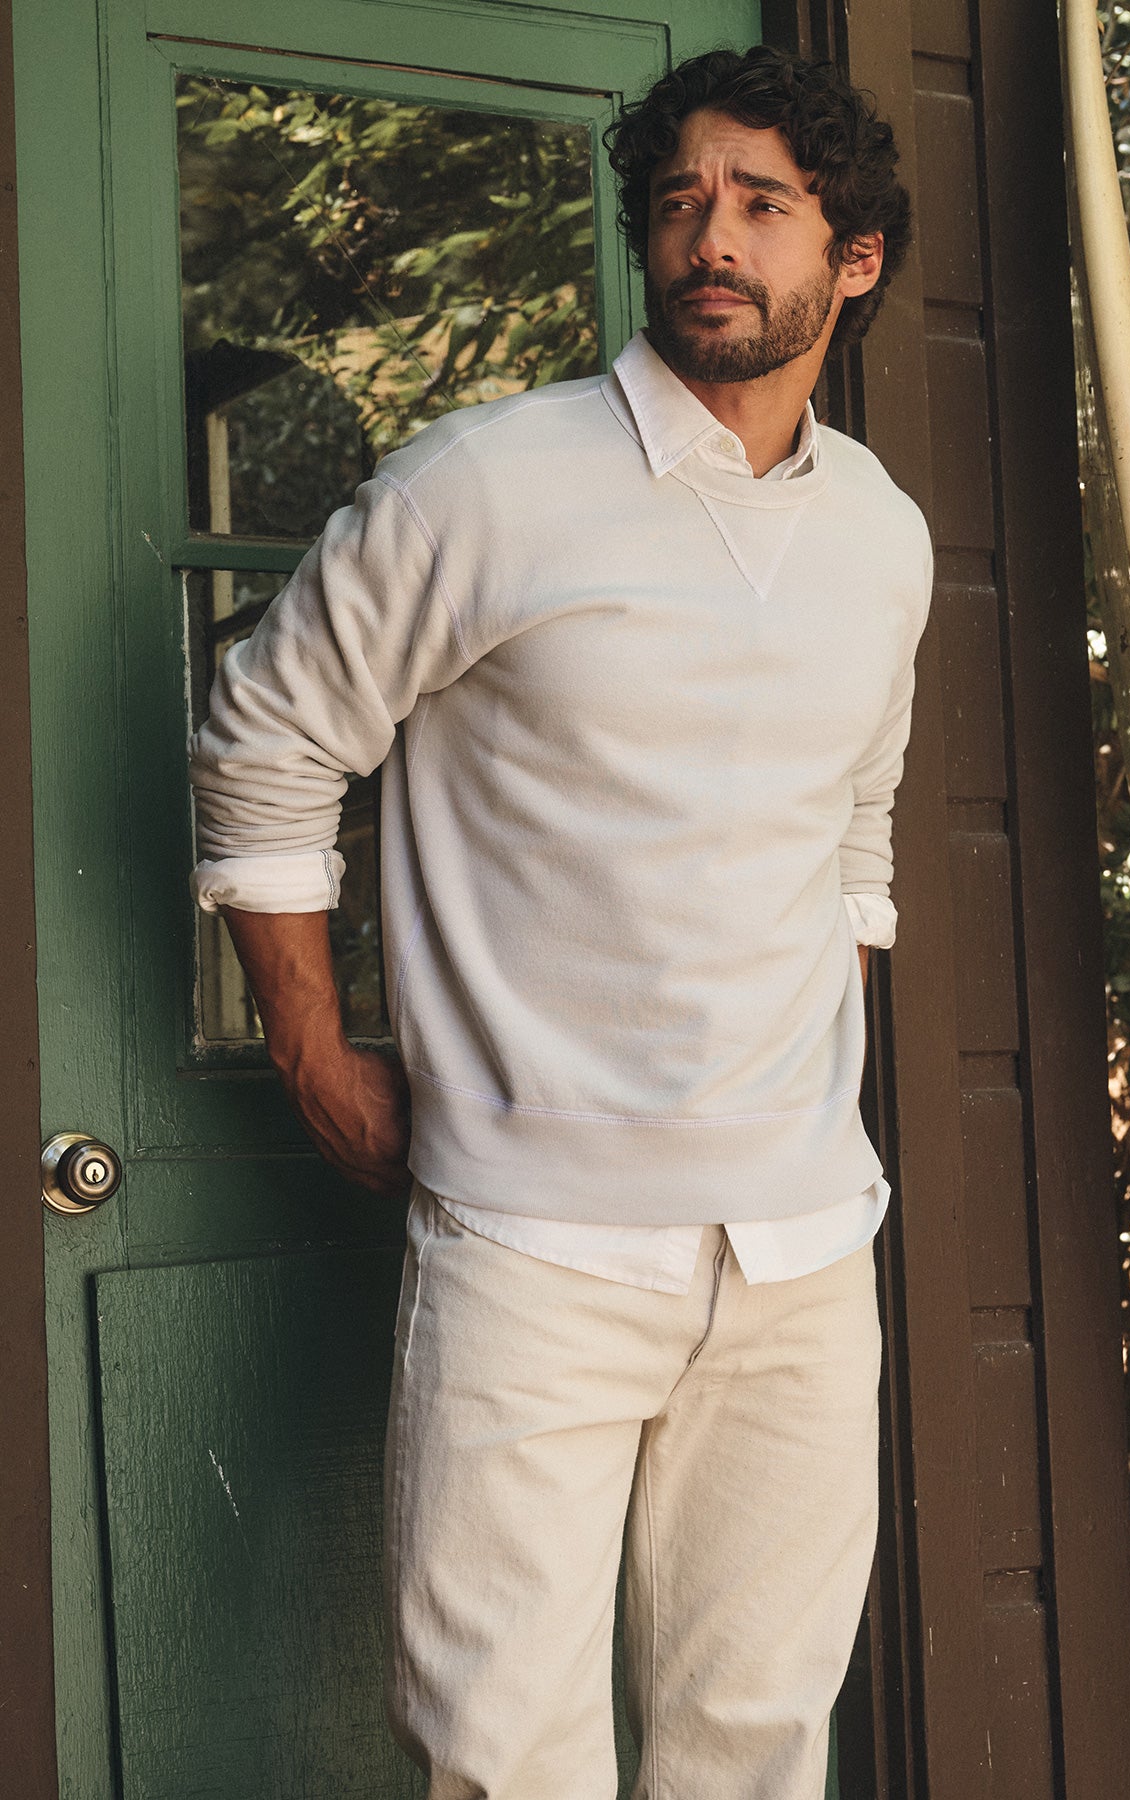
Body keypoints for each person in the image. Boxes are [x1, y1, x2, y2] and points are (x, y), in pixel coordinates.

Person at [189, 42, 930, 1800]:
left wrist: (801, 1078)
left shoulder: (883, 535)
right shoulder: (486, 485)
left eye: (761, 205)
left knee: (756, 1752)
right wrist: (312, 1049)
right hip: (534, 1239)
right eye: (679, 202)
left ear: (856, 258)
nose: (710, 238)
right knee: (505, 1761)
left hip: (803, 1251)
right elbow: (266, 738)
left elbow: (857, 833)